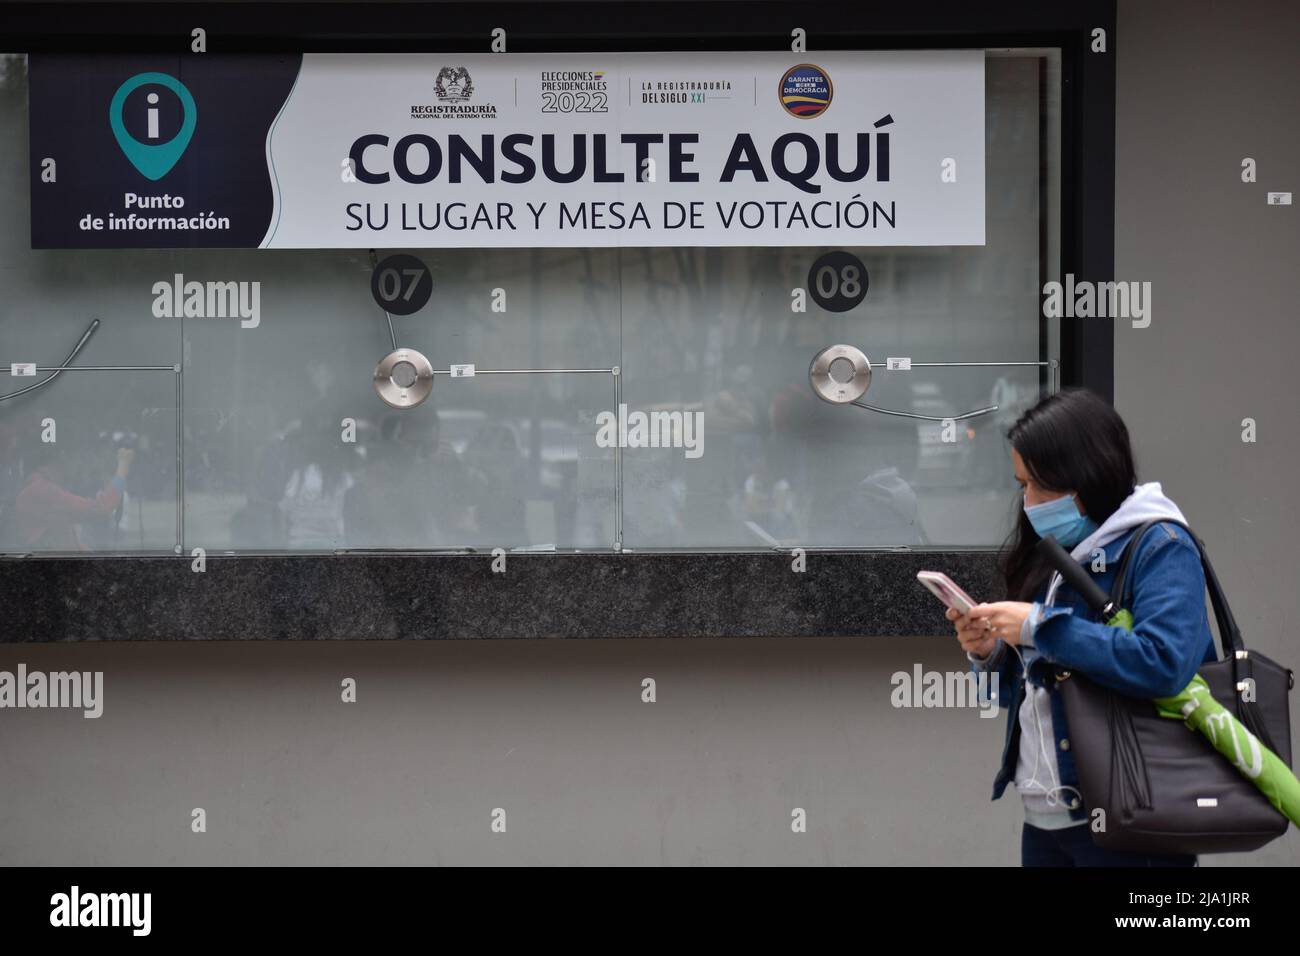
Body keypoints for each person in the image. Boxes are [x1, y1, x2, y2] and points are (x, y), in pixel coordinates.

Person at [948, 388, 1215, 866]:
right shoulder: (1054, 552)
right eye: (1021, 484)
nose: (1028, 502)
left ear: (1087, 477)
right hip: (1046, 816)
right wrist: (989, 652)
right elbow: (1022, 694)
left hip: (1130, 816)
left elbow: (1163, 662)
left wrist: (1039, 626)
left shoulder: (1161, 545)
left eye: (1040, 486)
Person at [16, 444, 134, 550]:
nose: (81, 466)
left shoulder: (47, 488)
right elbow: (101, 508)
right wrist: (122, 469)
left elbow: (70, 546)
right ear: (64, 457)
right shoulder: (43, 490)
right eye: (80, 459)